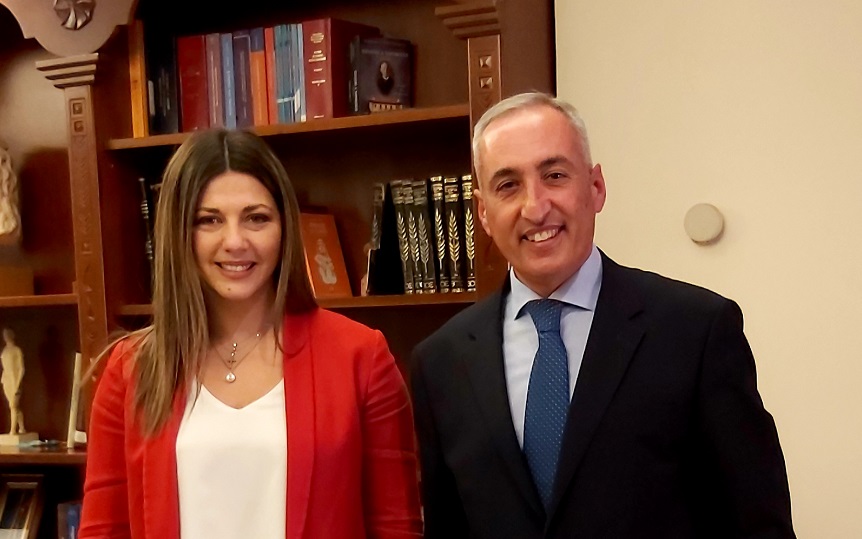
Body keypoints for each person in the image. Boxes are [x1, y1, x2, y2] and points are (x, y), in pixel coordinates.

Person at [410, 92, 795, 538]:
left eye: (554, 176)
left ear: (596, 188)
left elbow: (758, 525)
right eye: (508, 185)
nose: (535, 207)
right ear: (483, 212)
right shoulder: (440, 362)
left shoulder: (696, 332)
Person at [80, 129, 422, 539]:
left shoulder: (361, 358)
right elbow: (104, 530)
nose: (235, 241)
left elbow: (396, 528)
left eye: (256, 218)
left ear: (285, 228)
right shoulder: (129, 371)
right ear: (178, 233)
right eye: (209, 220)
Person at [0, 328, 26, 435]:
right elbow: (5, 367)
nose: (5, 336)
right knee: (14, 406)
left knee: (13, 405)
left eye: (7, 334)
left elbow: (21, 368)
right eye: (4, 335)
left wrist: (18, 383)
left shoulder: (17, 350)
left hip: (15, 381)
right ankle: (22, 427)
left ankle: (12, 430)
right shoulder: (4, 351)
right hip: (7, 382)